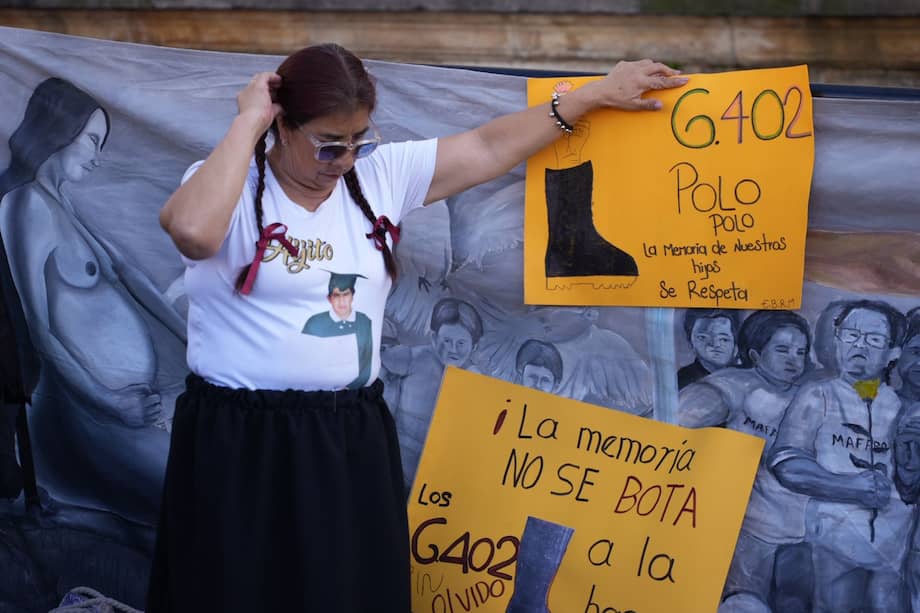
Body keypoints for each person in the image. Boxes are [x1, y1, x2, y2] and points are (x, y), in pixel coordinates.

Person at [147, 42, 687, 611]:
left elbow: (486, 146)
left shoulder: (380, 177)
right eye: (329, 146)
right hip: (241, 435)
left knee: (344, 590)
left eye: (360, 141)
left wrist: (590, 96)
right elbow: (193, 232)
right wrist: (248, 121)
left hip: (345, 431)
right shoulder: (227, 181)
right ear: (282, 124)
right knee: (234, 589)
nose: (347, 159)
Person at [0, 78, 186, 525]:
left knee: (207, 485)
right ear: (60, 130)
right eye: (91, 140)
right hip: (83, 413)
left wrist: (195, 340)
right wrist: (108, 401)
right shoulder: (27, 207)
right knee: (190, 498)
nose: (97, 156)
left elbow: (131, 277)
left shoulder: (61, 203)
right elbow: (36, 329)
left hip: (121, 411)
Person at [769, 299, 910, 612]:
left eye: (873, 339)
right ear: (837, 339)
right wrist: (848, 487)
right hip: (833, 545)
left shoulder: (902, 407)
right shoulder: (818, 395)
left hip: (894, 550)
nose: (859, 345)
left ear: (892, 354)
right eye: (851, 335)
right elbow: (786, 462)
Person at [679, 310, 812, 612]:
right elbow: (663, 428)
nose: (794, 359)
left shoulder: (811, 396)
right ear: (755, 352)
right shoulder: (730, 386)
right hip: (745, 533)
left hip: (799, 537)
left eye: (800, 351)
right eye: (782, 349)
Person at [382, 296, 484, 489]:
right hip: (395, 465)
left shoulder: (476, 380)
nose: (453, 349)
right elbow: (379, 360)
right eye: (447, 340)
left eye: (461, 343)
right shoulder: (417, 357)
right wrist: (389, 394)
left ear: (474, 346)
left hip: (436, 482)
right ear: (435, 339)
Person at [302, 271, 373, 389]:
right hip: (315, 395)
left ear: (352, 296)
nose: (342, 301)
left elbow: (366, 365)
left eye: (346, 294)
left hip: (352, 396)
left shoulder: (364, 322)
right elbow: (304, 361)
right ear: (329, 298)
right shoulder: (314, 323)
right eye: (336, 295)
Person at [677, 308, 742, 389]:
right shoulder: (684, 379)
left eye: (723, 339)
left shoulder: (744, 377)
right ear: (691, 342)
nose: (715, 344)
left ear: (735, 344)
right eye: (703, 338)